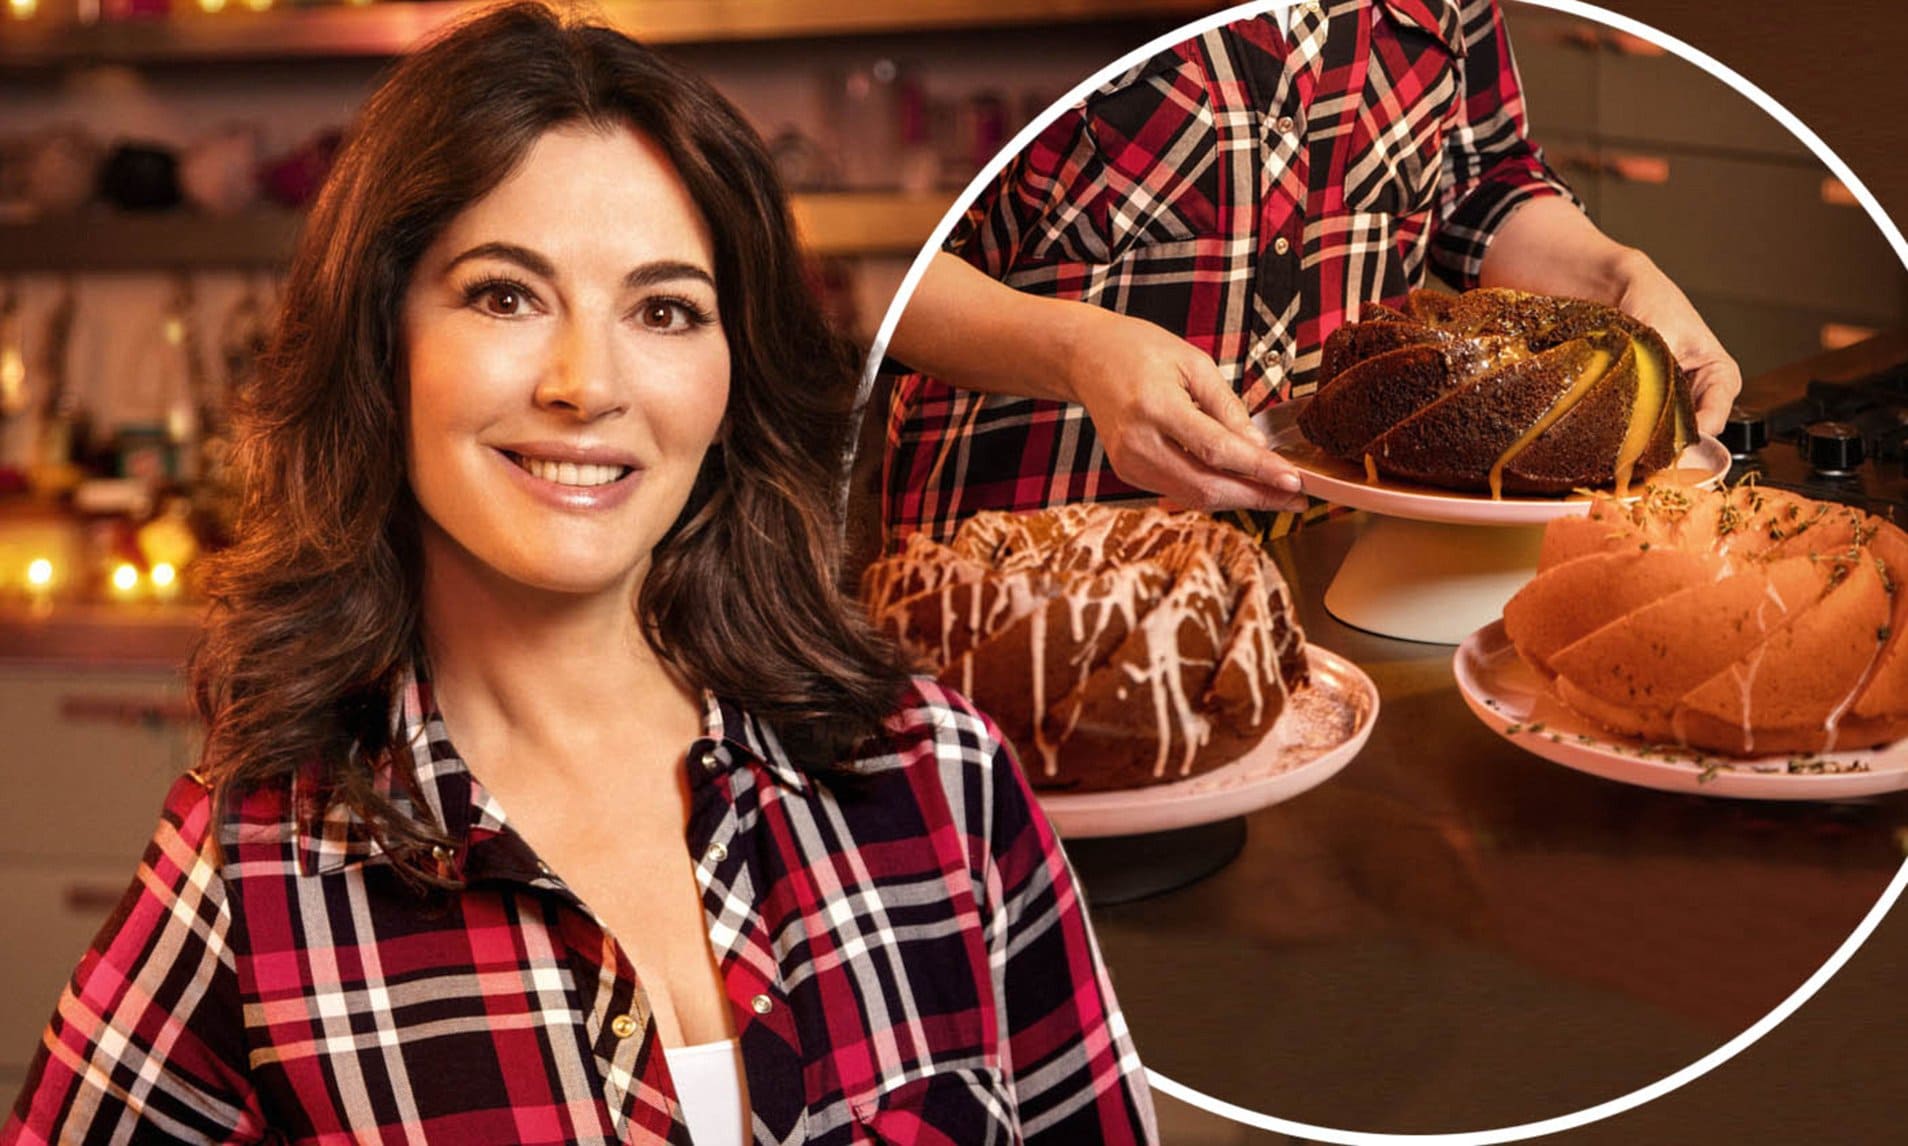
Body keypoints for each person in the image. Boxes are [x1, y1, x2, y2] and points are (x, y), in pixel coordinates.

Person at [2, 5, 1155, 1143]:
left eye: (665, 310)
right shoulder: (254, 866)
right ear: (381, 340)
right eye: (505, 294)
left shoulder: (940, 778)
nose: (585, 383)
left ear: (732, 377)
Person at [880, 0, 1742, 542]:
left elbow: (1481, 183)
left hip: (1337, 549)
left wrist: (1619, 277)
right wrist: (1079, 351)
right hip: (1025, 549)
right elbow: (893, 281)